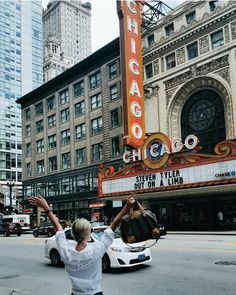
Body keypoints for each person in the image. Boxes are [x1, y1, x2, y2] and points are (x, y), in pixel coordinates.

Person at [29, 194, 136, 295]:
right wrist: (127, 206)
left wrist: (46, 207)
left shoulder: (66, 251)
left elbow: (58, 229)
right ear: (88, 235)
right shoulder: (96, 249)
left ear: (73, 234)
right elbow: (113, 226)